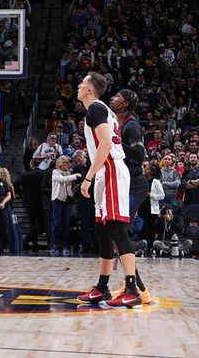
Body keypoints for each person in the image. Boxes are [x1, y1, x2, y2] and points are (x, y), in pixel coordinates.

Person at [76, 72, 140, 309]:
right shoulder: (98, 110)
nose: (79, 87)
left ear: (90, 90)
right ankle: (102, 288)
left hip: (110, 169)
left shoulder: (95, 108)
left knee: (117, 230)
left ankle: (131, 289)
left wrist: (88, 178)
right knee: (102, 232)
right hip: (105, 171)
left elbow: (105, 145)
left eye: (82, 84)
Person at [108, 89, 152, 303]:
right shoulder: (119, 122)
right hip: (124, 184)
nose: (112, 98)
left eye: (117, 96)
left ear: (125, 104)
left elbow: (139, 154)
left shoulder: (132, 125)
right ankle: (136, 285)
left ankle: (136, 288)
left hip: (135, 185)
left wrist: (114, 142)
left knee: (119, 232)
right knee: (115, 234)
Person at [50, 155, 79, 254]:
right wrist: (75, 176)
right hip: (58, 200)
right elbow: (62, 180)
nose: (69, 164)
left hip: (68, 201)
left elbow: (71, 185)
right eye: (66, 162)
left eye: (69, 163)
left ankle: (66, 245)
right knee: (57, 223)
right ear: (61, 164)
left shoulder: (69, 172)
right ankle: (55, 245)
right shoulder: (55, 172)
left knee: (66, 224)